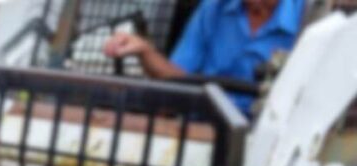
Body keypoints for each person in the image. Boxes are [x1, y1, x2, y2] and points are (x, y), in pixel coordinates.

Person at [103, 0, 304, 111]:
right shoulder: (214, 8)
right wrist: (144, 50)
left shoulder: (308, 18)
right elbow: (177, 78)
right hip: (208, 123)